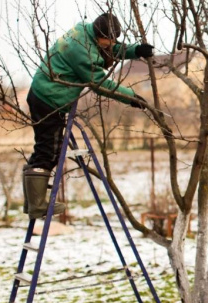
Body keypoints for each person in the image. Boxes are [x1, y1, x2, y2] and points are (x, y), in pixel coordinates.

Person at [24, 12, 154, 219]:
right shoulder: (82, 53)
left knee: (44, 147)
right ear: (99, 34)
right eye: (109, 40)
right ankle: (37, 205)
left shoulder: (86, 31)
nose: (111, 44)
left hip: (44, 94)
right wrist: (131, 98)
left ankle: (31, 201)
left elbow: (108, 48)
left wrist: (135, 50)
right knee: (48, 151)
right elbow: (100, 84)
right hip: (49, 99)